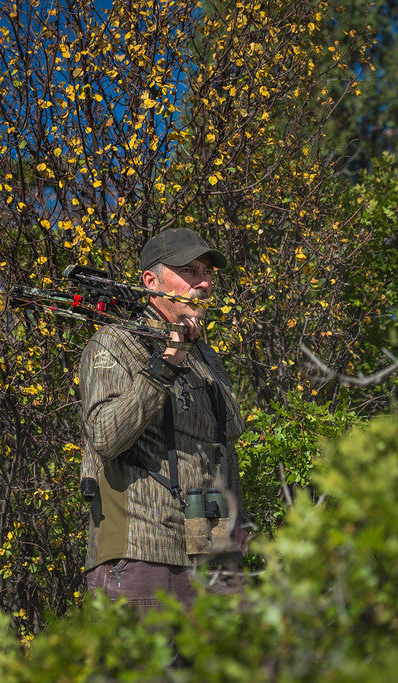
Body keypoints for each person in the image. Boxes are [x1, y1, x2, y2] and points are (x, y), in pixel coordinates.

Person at [79, 228, 249, 613]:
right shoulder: (115, 342)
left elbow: (225, 445)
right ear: (151, 282)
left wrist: (236, 528)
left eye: (206, 273)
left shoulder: (207, 356)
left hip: (212, 553)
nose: (203, 283)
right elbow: (106, 435)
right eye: (189, 271)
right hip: (142, 551)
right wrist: (166, 364)